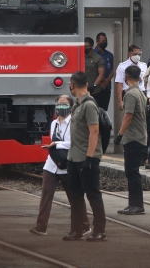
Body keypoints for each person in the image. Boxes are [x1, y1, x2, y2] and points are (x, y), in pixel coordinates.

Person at [29, 95, 91, 236]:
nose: (61, 107)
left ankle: (85, 225)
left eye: (64, 105)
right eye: (59, 104)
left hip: (68, 163)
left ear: (70, 107)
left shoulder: (75, 122)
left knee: (74, 197)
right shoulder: (54, 123)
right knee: (46, 194)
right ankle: (41, 226)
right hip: (51, 164)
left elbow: (74, 142)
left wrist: (57, 144)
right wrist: (54, 145)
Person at [64, 72, 107, 242]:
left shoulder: (89, 105)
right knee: (75, 195)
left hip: (86, 157)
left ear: (73, 85)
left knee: (93, 194)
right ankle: (76, 230)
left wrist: (89, 158)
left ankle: (99, 230)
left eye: (70, 85)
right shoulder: (77, 104)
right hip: (74, 156)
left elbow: (94, 131)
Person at [113, 66, 147, 215]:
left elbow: (128, 116)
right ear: (139, 77)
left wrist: (120, 134)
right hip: (140, 136)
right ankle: (134, 204)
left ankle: (137, 205)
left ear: (126, 78)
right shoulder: (140, 92)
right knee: (133, 172)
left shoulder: (130, 94)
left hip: (133, 137)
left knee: (132, 172)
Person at [115, 44, 147, 111]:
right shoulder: (122, 66)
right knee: (129, 113)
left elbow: (145, 82)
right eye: (135, 54)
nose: (137, 56)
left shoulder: (143, 65)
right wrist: (120, 101)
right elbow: (119, 84)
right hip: (128, 92)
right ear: (130, 54)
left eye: (139, 54)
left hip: (141, 93)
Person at [93, 32, 115, 111]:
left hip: (106, 86)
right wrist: (100, 81)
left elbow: (113, 69)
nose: (105, 42)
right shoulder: (92, 54)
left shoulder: (110, 55)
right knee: (94, 109)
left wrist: (106, 81)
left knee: (104, 110)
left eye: (106, 41)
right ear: (97, 42)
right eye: (103, 41)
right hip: (95, 87)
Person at [84, 37, 106, 108]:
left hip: (94, 91)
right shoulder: (79, 56)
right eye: (84, 46)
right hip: (81, 90)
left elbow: (101, 74)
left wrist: (94, 85)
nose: (85, 48)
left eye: (87, 46)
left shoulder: (98, 58)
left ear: (92, 47)